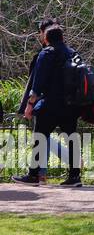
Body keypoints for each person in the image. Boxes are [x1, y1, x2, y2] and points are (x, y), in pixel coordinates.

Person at [12, 25, 84, 187]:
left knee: (39, 138)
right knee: (71, 138)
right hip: (71, 105)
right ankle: (74, 177)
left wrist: (30, 105)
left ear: (46, 39)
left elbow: (38, 82)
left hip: (50, 104)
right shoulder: (72, 53)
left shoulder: (46, 54)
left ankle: (33, 175)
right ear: (63, 38)